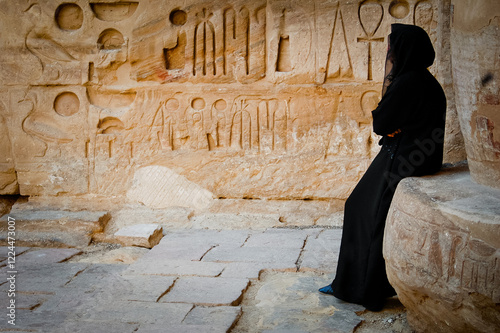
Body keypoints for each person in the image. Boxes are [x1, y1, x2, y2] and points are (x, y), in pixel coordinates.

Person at [319, 23, 446, 311]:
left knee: (366, 212)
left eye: (392, 47)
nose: (389, 53)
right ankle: (356, 282)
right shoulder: (425, 80)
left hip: (402, 158)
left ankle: (361, 288)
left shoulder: (407, 82)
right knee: (362, 208)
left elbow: (381, 123)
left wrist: (390, 123)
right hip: (415, 154)